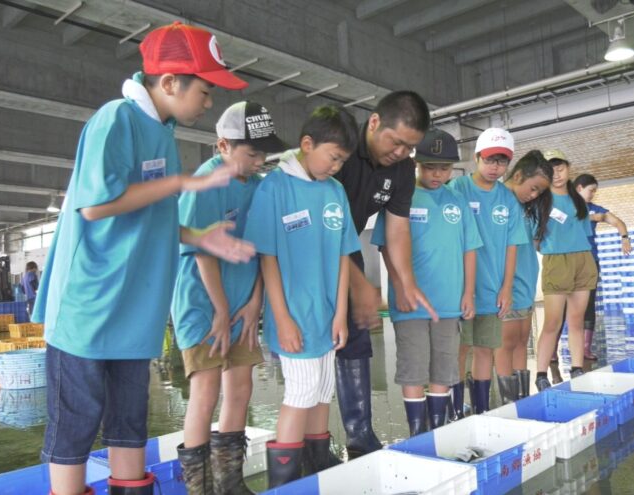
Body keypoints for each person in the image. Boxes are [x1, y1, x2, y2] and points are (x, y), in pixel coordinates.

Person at [31, 22, 255, 495]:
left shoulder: (163, 133)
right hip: (89, 308)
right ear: (170, 82)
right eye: (205, 89)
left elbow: (148, 216)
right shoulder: (117, 118)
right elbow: (97, 204)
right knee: (75, 424)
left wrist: (199, 236)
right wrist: (182, 183)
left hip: (136, 311)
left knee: (129, 421)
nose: (209, 102)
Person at [170, 101, 285, 494]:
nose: (259, 161)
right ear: (222, 146)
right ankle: (199, 489)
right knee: (206, 390)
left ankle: (229, 483)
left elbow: (260, 247)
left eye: (263, 154)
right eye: (252, 153)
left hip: (243, 305)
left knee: (241, 387)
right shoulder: (205, 183)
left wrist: (256, 304)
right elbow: (202, 252)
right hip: (202, 306)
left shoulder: (257, 187)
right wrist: (220, 310)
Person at [243, 105, 361, 488]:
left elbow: (344, 255)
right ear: (307, 144)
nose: (336, 166)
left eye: (343, 160)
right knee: (302, 391)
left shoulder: (335, 191)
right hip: (293, 315)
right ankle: (285, 482)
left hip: (327, 316)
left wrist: (341, 313)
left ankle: (315, 472)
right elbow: (268, 258)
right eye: (333, 157)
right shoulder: (275, 186)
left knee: (323, 389)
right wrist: (282, 317)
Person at [332, 91, 437, 457]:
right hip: (309, 249)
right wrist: (360, 283)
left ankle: (359, 438)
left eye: (410, 147)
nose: (401, 153)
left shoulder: (403, 169)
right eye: (396, 143)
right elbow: (324, 229)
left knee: (358, 335)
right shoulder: (339, 147)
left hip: (346, 249)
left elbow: (397, 229)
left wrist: (406, 282)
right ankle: (309, 447)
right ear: (374, 123)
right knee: (315, 344)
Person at [372, 128, 481, 435]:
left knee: (445, 367)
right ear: (417, 164)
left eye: (444, 168)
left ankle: (438, 430)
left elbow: (469, 249)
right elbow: (385, 246)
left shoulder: (457, 201)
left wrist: (469, 293)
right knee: (413, 368)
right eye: (430, 167)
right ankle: (418, 433)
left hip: (448, 303)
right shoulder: (402, 197)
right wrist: (399, 286)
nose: (437, 174)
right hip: (410, 305)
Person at [449, 127, 528, 411]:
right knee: (459, 350)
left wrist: (507, 287)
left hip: (492, 289)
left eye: (502, 161)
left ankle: (481, 410)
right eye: (490, 160)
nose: (496, 167)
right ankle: (456, 411)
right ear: (477, 158)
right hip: (459, 288)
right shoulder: (458, 189)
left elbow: (512, 245)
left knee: (485, 349)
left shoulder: (507, 199)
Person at [534, 150, 598, 392]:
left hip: (583, 259)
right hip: (556, 261)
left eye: (560, 168)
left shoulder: (578, 200)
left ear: (568, 168)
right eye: (550, 169)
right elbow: (535, 237)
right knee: (552, 321)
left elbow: (585, 234)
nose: (556, 174)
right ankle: (541, 374)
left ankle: (577, 368)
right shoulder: (540, 199)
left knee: (576, 320)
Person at [499, 151, 553, 401]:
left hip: (527, 278)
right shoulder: (498, 201)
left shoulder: (528, 209)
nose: (533, 196)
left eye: (538, 193)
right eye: (532, 189)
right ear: (518, 175)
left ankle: (523, 399)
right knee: (505, 342)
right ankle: (508, 402)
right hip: (504, 282)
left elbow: (533, 243)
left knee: (522, 340)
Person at [571, 173, 632, 360]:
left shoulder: (595, 209)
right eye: (591, 191)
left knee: (589, 303)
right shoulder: (566, 205)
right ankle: (556, 350)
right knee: (567, 305)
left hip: (591, 259)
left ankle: (586, 348)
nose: (593, 195)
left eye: (595, 191)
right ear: (579, 188)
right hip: (569, 259)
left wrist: (624, 238)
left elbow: (617, 222)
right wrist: (588, 218)